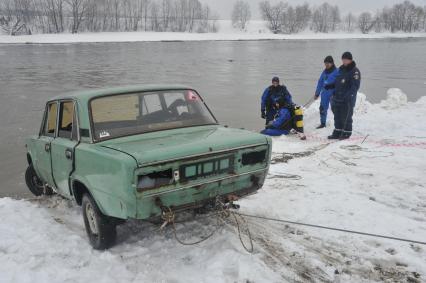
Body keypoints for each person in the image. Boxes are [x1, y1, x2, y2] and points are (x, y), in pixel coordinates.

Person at [329, 52, 361, 140]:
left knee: (346, 116)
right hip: (338, 98)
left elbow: (355, 86)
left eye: (346, 59)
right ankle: (338, 131)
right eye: (343, 59)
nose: (344, 61)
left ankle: (347, 132)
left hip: (347, 99)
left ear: (350, 60)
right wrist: (331, 86)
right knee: (337, 115)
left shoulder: (355, 71)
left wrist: (349, 96)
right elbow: (337, 82)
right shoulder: (341, 69)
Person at [314, 55, 339, 129]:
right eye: (325, 63)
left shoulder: (337, 71)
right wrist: (317, 93)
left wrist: (333, 88)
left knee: (335, 109)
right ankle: (323, 123)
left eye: (328, 63)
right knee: (322, 108)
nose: (326, 65)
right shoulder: (324, 72)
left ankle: (339, 124)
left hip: (333, 93)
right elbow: (320, 82)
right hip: (325, 93)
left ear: (332, 63)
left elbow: (340, 83)